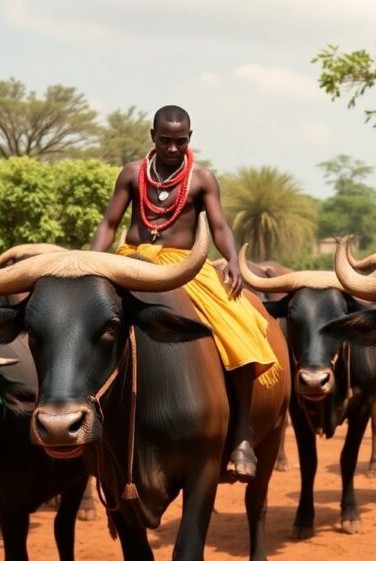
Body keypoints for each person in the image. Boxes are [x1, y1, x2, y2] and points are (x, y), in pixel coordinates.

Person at [90, 105, 280, 483]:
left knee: (239, 326)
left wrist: (233, 262)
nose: (173, 148)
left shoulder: (202, 180)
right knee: (84, 322)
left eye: (180, 141)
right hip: (133, 262)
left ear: (190, 139)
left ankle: (241, 433)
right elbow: (110, 223)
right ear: (152, 136)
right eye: (165, 141)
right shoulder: (131, 174)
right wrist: (91, 264)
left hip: (186, 268)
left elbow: (221, 226)